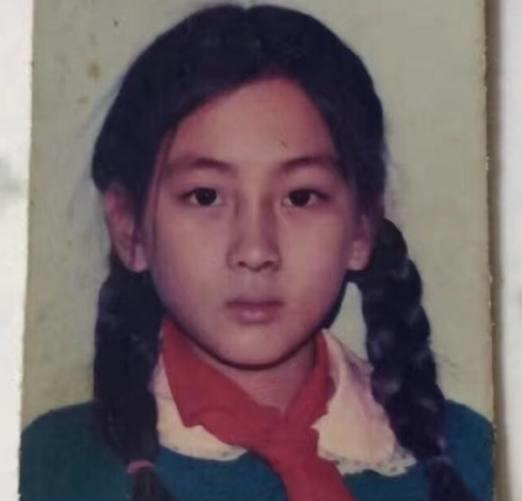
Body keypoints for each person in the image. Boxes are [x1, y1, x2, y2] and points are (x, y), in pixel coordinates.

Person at [19, 4, 493, 501]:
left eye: (301, 197)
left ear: (361, 228)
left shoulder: (470, 456)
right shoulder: (54, 467)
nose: (255, 250)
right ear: (129, 228)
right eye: (205, 196)